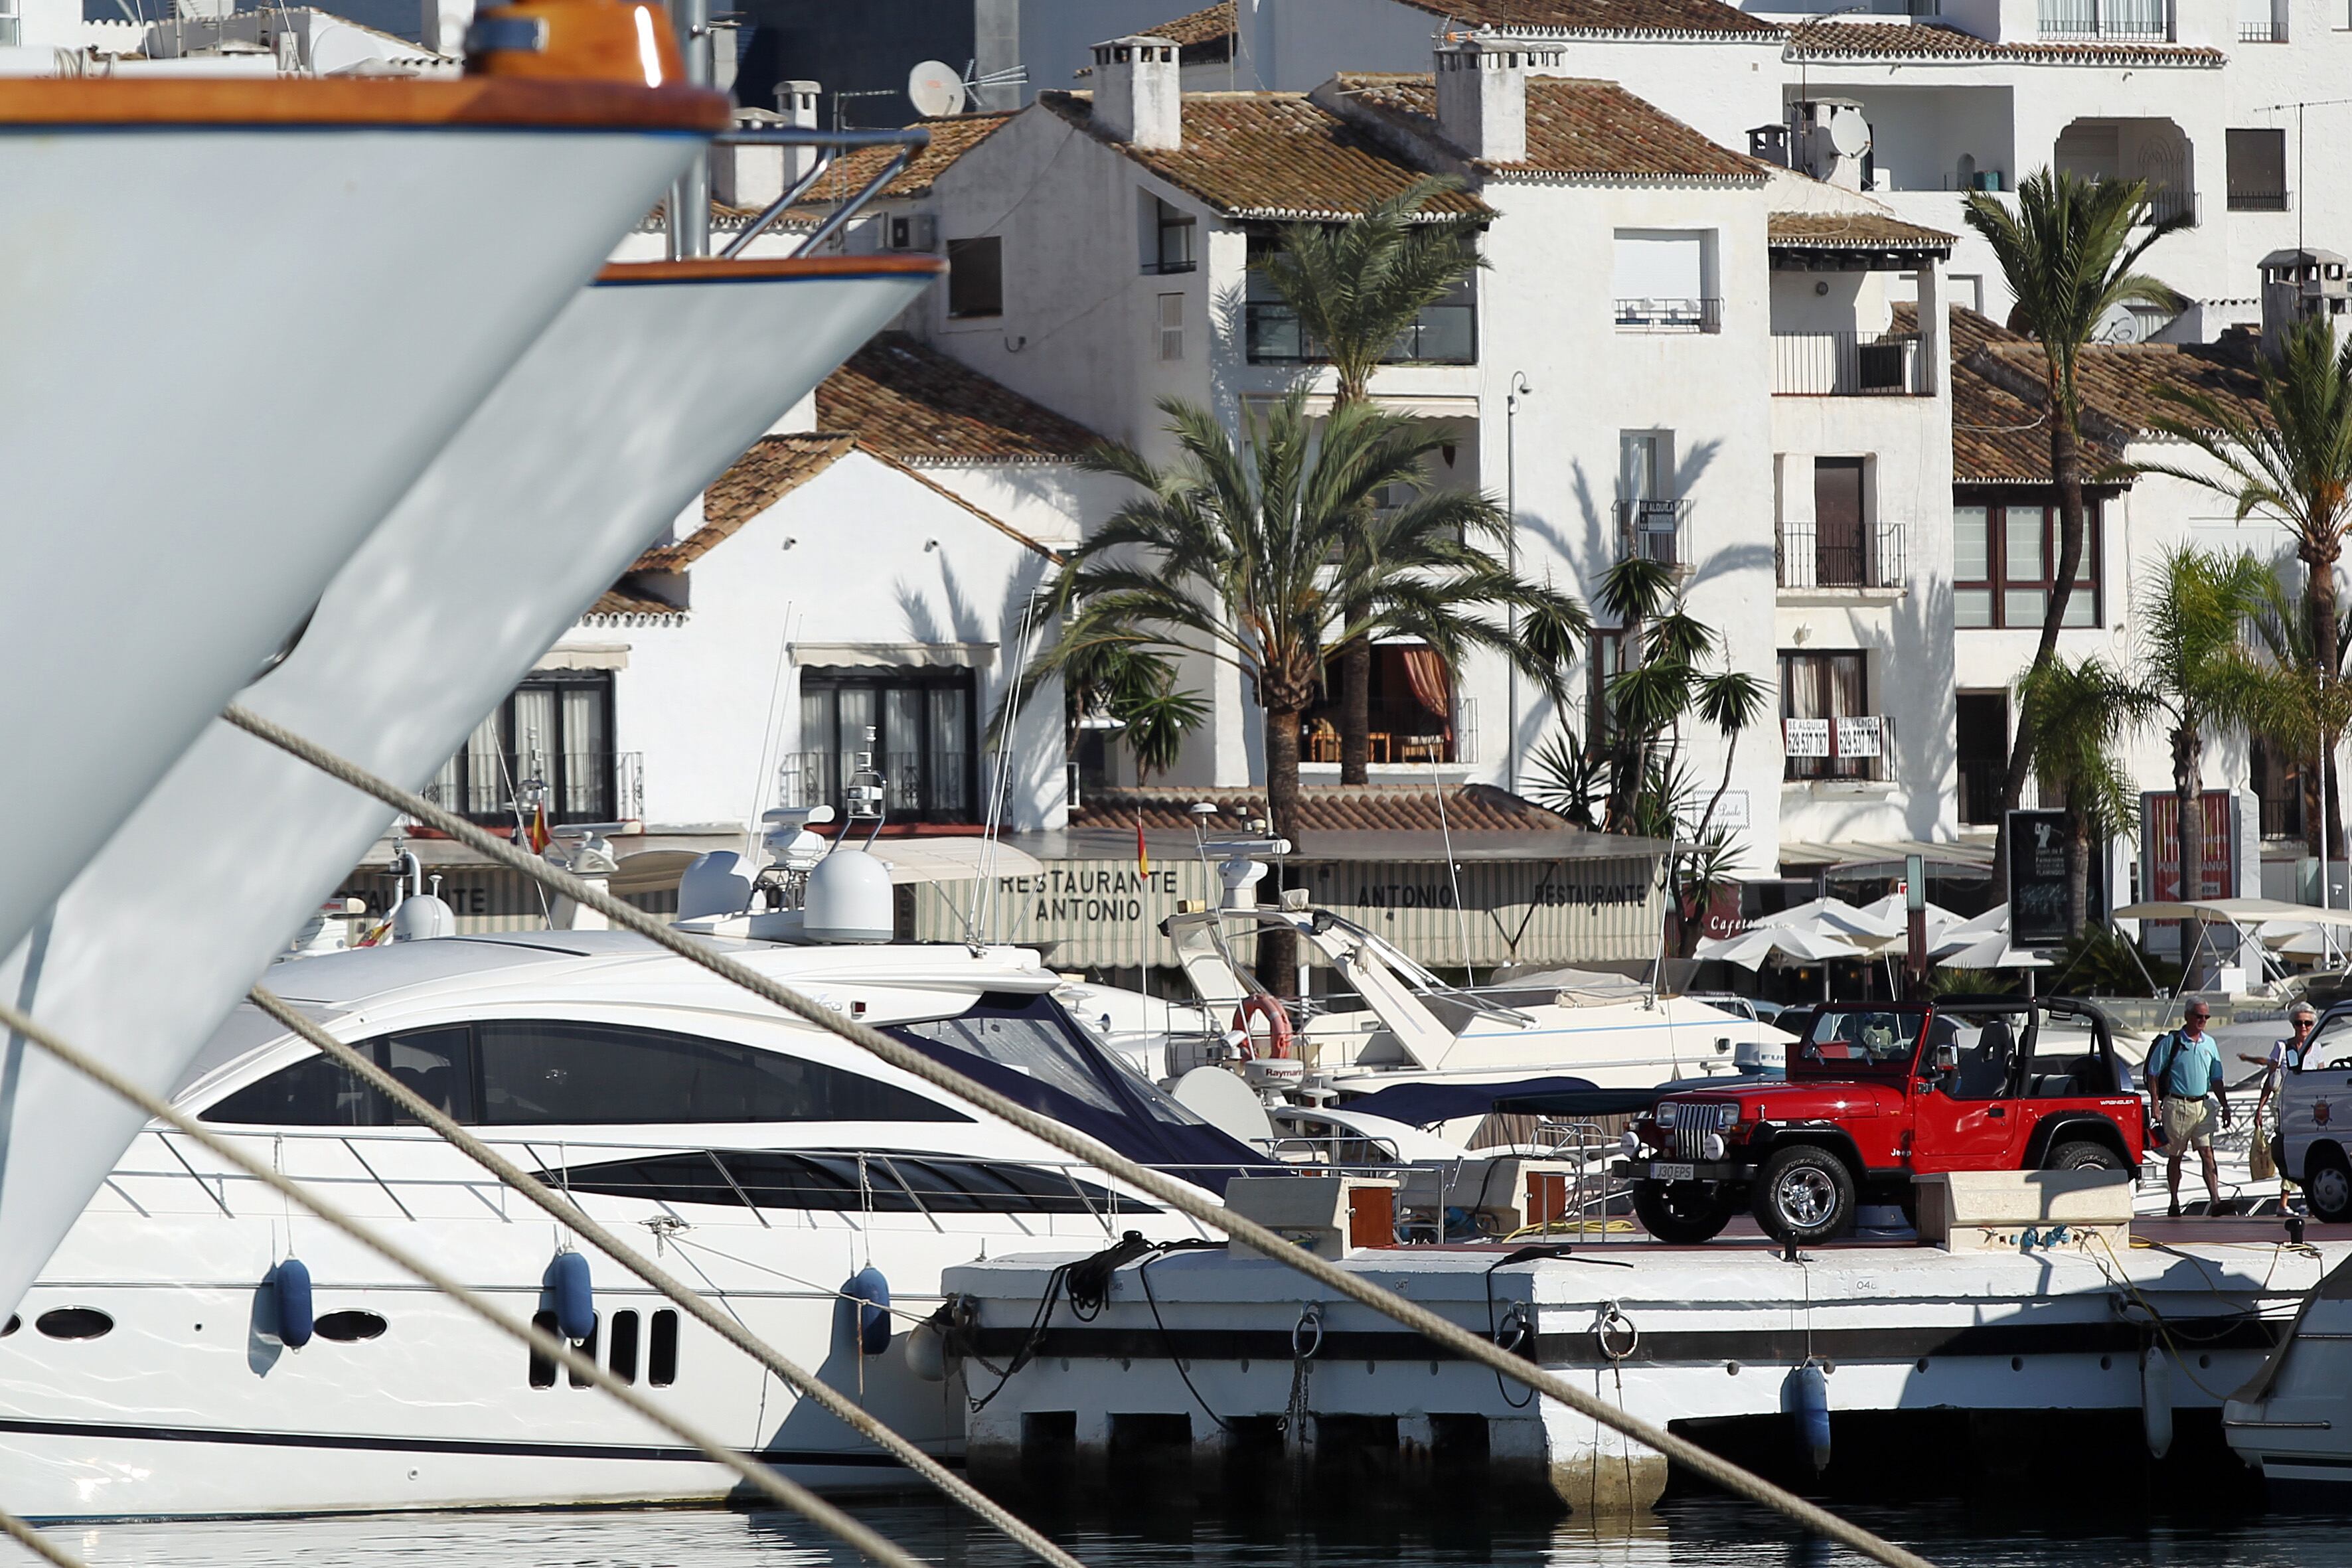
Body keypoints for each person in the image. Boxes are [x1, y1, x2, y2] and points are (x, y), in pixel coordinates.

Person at [2146, 1004, 2231, 1216]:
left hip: (2202, 1105)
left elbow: (2217, 1078)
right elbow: (2153, 1073)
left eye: (2206, 1017)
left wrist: (2225, 1105)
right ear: (2188, 1016)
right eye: (2198, 1016)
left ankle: (2216, 1200)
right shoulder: (2172, 1042)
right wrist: (2155, 1103)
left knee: (2207, 1153)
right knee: (2176, 1156)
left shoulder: (2210, 1043)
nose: (2203, 1020)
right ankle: (2174, 1201)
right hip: (2177, 1105)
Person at [2240, 1006, 2316, 1184]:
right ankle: (2287, 1197)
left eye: (2308, 1023)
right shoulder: (2282, 1047)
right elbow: (2270, 1079)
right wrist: (2259, 1109)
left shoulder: (2317, 1048)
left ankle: (2294, 1196)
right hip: (2285, 1104)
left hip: (2311, 1105)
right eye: (2299, 1023)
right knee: (2293, 1146)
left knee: (2309, 1147)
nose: (2303, 1027)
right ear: (2293, 1024)